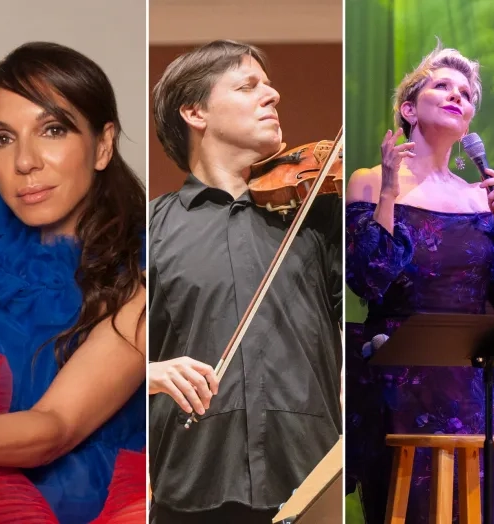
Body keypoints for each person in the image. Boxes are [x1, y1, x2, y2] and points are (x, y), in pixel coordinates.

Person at [148, 39, 342, 523]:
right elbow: (74, 354)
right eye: (249, 85)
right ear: (194, 112)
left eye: (270, 85)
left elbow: (370, 312)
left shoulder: (317, 215)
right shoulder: (148, 228)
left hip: (310, 478)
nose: (273, 95)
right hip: (192, 482)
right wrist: (145, 374)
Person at [0, 42, 147, 524]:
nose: (25, 162)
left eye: (52, 130)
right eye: (2, 139)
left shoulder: (145, 279)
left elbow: (54, 429)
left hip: (86, 502)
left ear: (103, 145)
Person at [345, 43, 494, 523]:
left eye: (467, 93)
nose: (458, 96)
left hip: (473, 383)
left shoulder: (482, 197)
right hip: (400, 377)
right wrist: (390, 191)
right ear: (409, 109)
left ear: (469, 122)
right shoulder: (370, 181)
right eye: (442, 85)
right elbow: (368, 279)